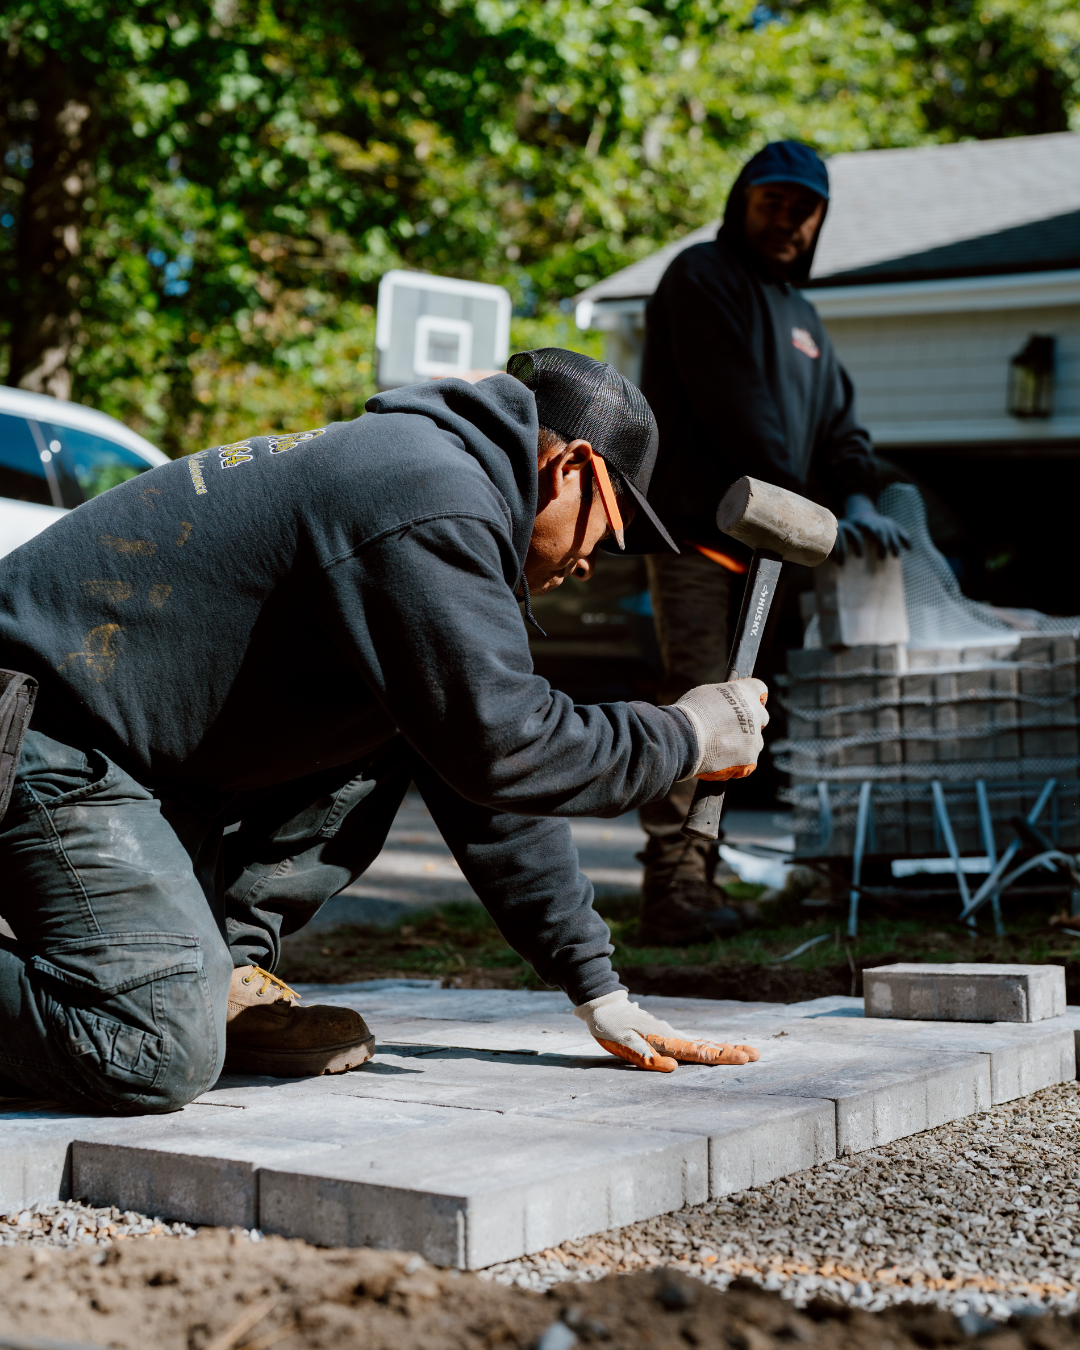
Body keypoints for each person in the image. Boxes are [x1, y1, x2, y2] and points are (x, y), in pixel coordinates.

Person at [0, 349, 768, 1115]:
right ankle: (184, 998)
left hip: (129, 751)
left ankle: (222, 970)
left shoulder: (434, 488)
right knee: (152, 1046)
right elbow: (510, 746)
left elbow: (481, 771)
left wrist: (598, 989)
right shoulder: (428, 496)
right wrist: (687, 736)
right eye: (609, 528)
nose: (592, 561)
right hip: (44, 728)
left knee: (404, 722)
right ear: (571, 467)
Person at [636, 140, 908, 945]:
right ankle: (671, 890)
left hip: (772, 554)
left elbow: (840, 427)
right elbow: (737, 409)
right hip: (700, 536)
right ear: (742, 203)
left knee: (745, 718)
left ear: (818, 220)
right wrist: (809, 507)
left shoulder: (806, 322)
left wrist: (856, 489)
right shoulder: (702, 278)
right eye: (772, 203)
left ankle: (702, 881)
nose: (787, 220)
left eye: (803, 208)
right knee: (695, 701)